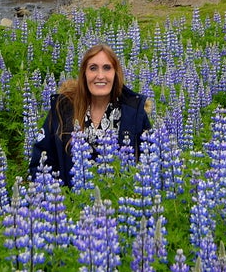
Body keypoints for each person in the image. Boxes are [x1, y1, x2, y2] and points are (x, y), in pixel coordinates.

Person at [29, 43, 152, 186]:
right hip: (72, 204)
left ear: (115, 73)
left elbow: (149, 162)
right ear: (84, 74)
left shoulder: (133, 111)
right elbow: (40, 162)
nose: (100, 76)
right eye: (93, 68)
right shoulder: (63, 109)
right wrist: (57, 199)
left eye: (107, 68)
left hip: (121, 204)